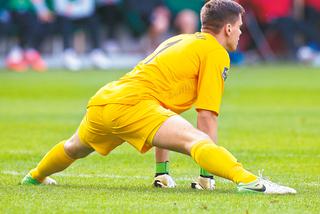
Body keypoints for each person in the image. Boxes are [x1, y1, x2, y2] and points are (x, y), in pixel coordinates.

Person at [21, 0, 296, 195]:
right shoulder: (216, 52)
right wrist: (205, 177)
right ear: (226, 29)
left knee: (73, 148)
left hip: (107, 99)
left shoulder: (178, 40)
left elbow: (162, 110)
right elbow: (206, 115)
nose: (240, 32)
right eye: (239, 27)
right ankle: (249, 181)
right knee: (195, 140)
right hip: (134, 105)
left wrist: (161, 171)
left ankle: (35, 176)